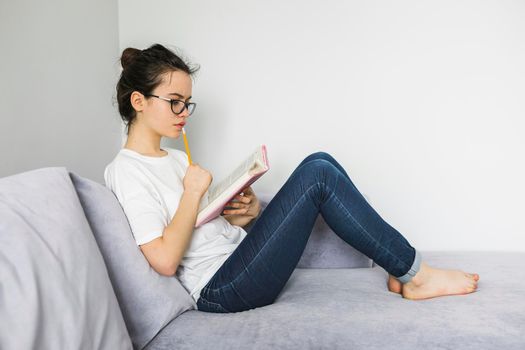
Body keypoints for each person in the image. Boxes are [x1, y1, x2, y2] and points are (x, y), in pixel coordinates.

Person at [104, 43, 479, 314]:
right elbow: (166, 260)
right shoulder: (126, 170)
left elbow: (194, 227)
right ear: (139, 101)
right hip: (220, 290)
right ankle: (416, 273)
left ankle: (399, 269)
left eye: (188, 102)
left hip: (237, 258)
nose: (184, 111)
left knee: (321, 159)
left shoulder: (172, 157)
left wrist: (241, 214)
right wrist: (192, 193)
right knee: (317, 175)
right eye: (175, 101)